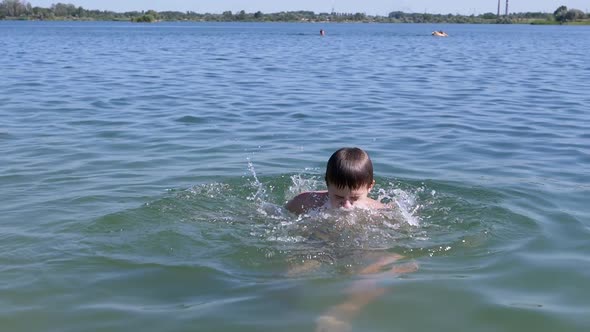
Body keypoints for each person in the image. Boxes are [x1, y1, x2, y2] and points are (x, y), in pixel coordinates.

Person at [286, 147, 385, 214]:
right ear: (327, 184)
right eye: (338, 197)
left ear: (370, 187)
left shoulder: (379, 212)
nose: (346, 206)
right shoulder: (306, 202)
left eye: (355, 198)